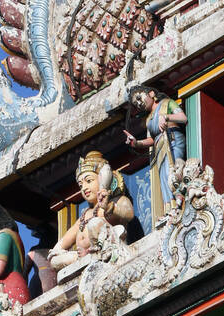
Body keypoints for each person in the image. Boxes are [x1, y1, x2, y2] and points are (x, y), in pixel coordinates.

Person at [49, 152, 135, 270]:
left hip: (106, 250)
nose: (84, 188)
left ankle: (94, 254)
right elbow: (64, 241)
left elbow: (129, 214)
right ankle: (85, 258)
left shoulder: (116, 200)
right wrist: (56, 251)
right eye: (80, 185)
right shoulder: (85, 215)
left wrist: (109, 206)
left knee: (95, 223)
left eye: (89, 181)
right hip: (82, 258)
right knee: (55, 261)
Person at [125, 86, 187, 220]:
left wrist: (166, 117)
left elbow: (183, 118)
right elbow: (152, 140)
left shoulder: (167, 103)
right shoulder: (148, 120)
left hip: (172, 140)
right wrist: (136, 143)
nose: (139, 103)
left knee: (173, 171)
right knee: (164, 180)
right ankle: (170, 209)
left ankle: (180, 200)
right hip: (159, 148)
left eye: (139, 98)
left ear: (151, 93)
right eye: (136, 103)